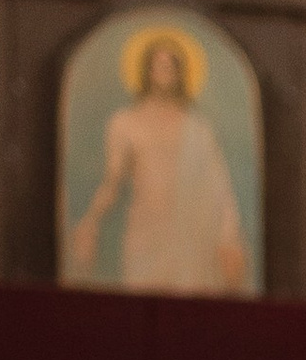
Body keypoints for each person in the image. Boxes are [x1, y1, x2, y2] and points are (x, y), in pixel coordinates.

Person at [65, 26, 251, 293]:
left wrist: (229, 235)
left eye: (170, 67)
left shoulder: (198, 127)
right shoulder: (126, 122)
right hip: (146, 230)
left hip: (192, 236)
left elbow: (220, 187)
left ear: (179, 73)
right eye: (158, 66)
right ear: (147, 70)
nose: (164, 73)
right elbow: (113, 181)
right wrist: (91, 220)